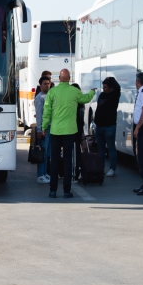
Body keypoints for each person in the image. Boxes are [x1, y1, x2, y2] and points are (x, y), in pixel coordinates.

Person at [42, 69, 95, 198]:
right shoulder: (74, 91)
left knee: (54, 160)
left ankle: (52, 190)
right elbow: (85, 99)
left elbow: (47, 110)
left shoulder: (52, 92)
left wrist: (44, 127)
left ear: (59, 78)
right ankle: (66, 190)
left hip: (55, 131)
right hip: (70, 131)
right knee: (67, 160)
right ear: (69, 79)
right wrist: (92, 92)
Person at [94, 77, 120, 177]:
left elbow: (117, 87)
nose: (104, 89)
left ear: (111, 88)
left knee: (111, 148)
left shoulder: (114, 95)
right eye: (103, 87)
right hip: (99, 126)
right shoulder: (101, 95)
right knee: (100, 148)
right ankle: (101, 167)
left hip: (109, 126)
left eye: (106, 87)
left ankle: (112, 168)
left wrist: (111, 79)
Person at [34, 76, 51, 183]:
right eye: (45, 83)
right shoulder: (40, 98)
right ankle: (40, 174)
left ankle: (45, 173)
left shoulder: (48, 96)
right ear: (40, 85)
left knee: (48, 152)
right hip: (44, 128)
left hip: (50, 127)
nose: (47, 85)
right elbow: (39, 115)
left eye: (48, 83)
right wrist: (39, 129)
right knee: (43, 152)